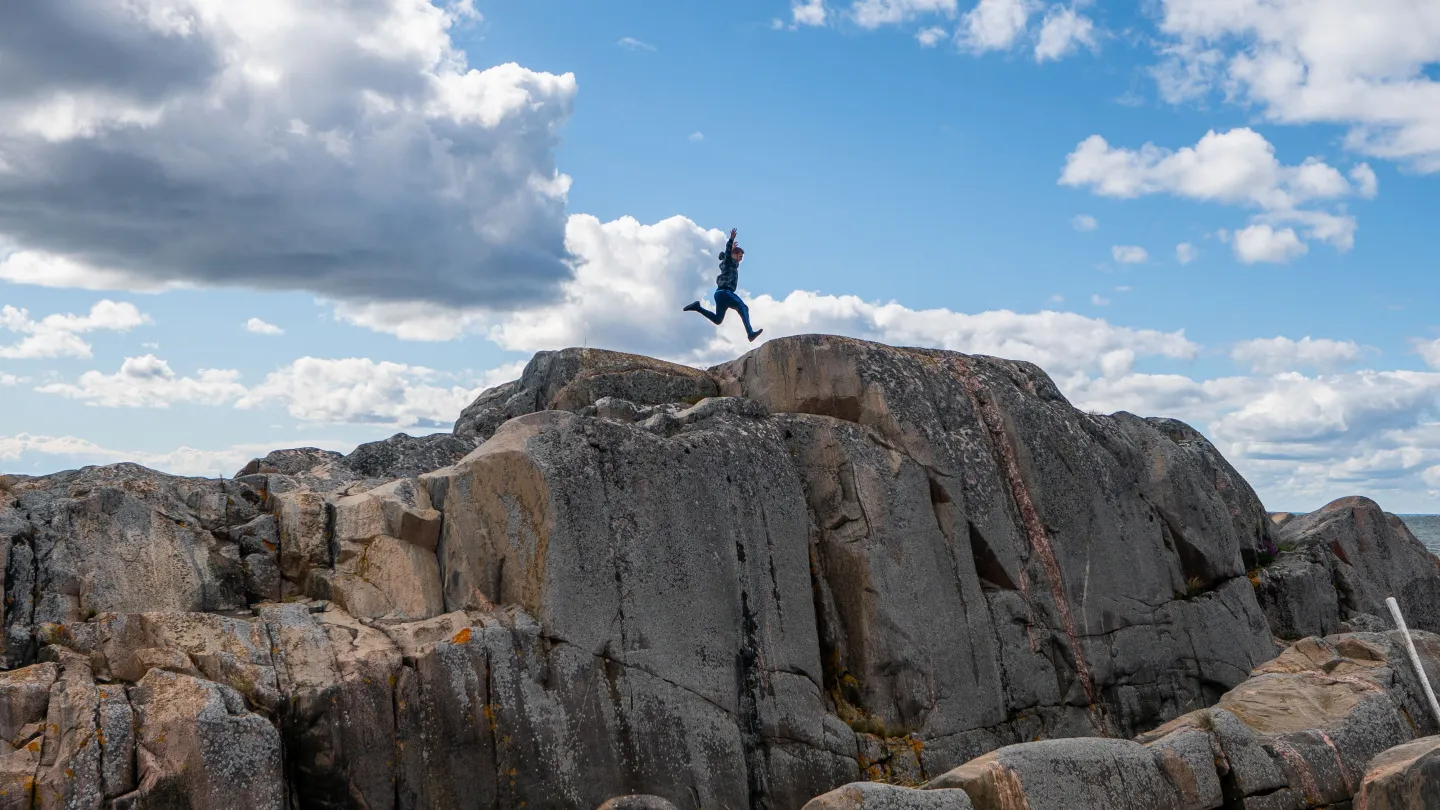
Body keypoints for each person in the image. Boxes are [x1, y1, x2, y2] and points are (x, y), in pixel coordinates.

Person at [684, 227, 763, 342]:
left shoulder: (730, 263)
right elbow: (727, 253)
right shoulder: (728, 261)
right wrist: (731, 240)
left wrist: (732, 250)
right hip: (725, 292)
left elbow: (729, 256)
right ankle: (750, 333)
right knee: (743, 307)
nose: (740, 259)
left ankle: (698, 307)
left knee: (718, 320)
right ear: (734, 255)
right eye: (740, 256)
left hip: (719, 294)